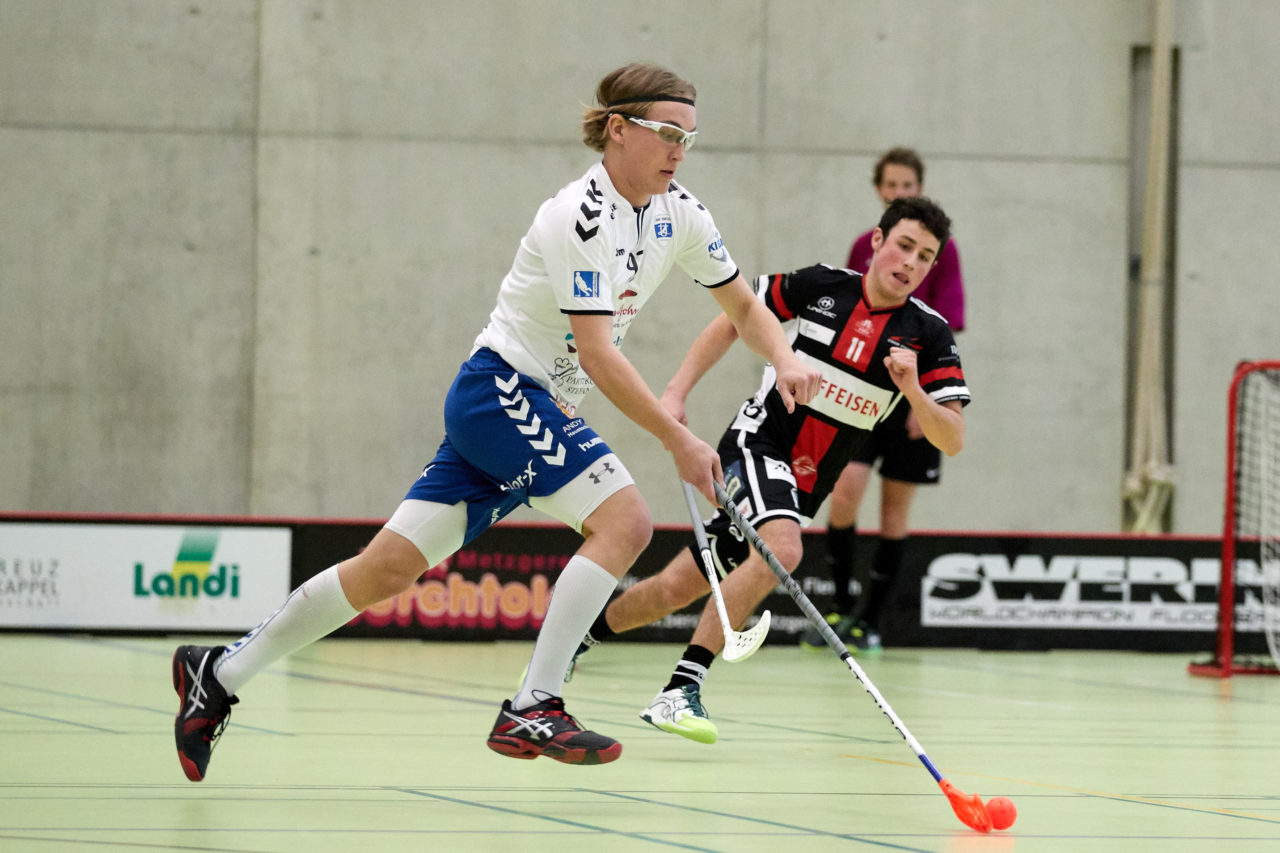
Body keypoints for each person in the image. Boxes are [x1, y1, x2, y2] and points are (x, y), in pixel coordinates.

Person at [170, 62, 821, 780]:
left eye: (689, 138)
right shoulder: (577, 217)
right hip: (502, 391)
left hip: (532, 407)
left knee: (385, 569)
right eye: (668, 133)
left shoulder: (682, 213)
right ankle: (535, 703)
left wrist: (784, 357)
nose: (679, 151)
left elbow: (743, 304)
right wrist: (678, 439)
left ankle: (217, 672)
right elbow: (599, 354)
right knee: (627, 521)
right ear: (618, 129)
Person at [572, 196, 969, 743]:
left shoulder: (929, 335)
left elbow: (952, 438)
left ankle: (573, 642)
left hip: (805, 487)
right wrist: (677, 391)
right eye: (904, 245)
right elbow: (736, 318)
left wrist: (914, 391)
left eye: (925, 257)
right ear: (877, 241)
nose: (911, 263)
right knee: (783, 550)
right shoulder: (823, 286)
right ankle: (681, 689)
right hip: (756, 444)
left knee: (675, 586)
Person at [805, 147, 967, 653]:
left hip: (914, 399)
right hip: (865, 397)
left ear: (919, 188)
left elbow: (945, 326)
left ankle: (870, 622)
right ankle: (837, 608)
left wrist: (923, 403)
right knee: (844, 495)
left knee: (894, 513)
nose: (899, 192)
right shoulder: (864, 246)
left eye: (907, 185)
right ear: (880, 191)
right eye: (891, 185)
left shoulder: (942, 253)